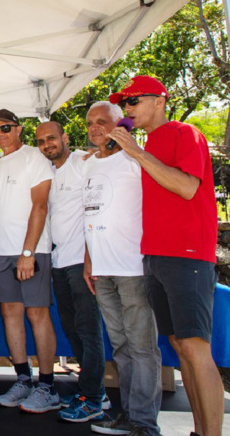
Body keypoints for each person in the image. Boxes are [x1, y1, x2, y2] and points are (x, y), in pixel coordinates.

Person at [109, 76, 222, 436]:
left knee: (194, 346)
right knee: (178, 344)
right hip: (155, 256)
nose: (127, 109)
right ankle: (199, 430)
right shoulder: (150, 141)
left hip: (187, 255)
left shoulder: (184, 133)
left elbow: (188, 187)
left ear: (159, 100)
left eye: (133, 101)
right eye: (124, 103)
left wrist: (137, 152)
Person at [81, 101, 162, 436]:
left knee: (142, 348)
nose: (95, 128)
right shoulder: (88, 165)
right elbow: (91, 214)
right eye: (90, 123)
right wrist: (88, 261)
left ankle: (144, 422)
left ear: (120, 124)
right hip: (101, 270)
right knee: (121, 348)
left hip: (132, 267)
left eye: (103, 121)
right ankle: (128, 415)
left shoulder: (135, 159)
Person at [34, 121, 109, 423]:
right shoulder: (47, 172)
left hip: (83, 262)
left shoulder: (83, 162)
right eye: (41, 141)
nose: (47, 145)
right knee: (73, 328)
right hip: (59, 261)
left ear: (65, 137)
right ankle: (93, 391)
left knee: (89, 330)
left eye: (51, 138)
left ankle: (93, 399)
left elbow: (97, 209)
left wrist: (92, 259)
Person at [0, 109, 59, 413]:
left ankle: (48, 386)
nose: (0, 134)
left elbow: (40, 207)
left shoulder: (35, 157)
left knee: (37, 315)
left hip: (31, 250)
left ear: (18, 129)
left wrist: (28, 252)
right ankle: (22, 380)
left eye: (5, 128)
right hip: (2, 251)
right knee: (10, 314)